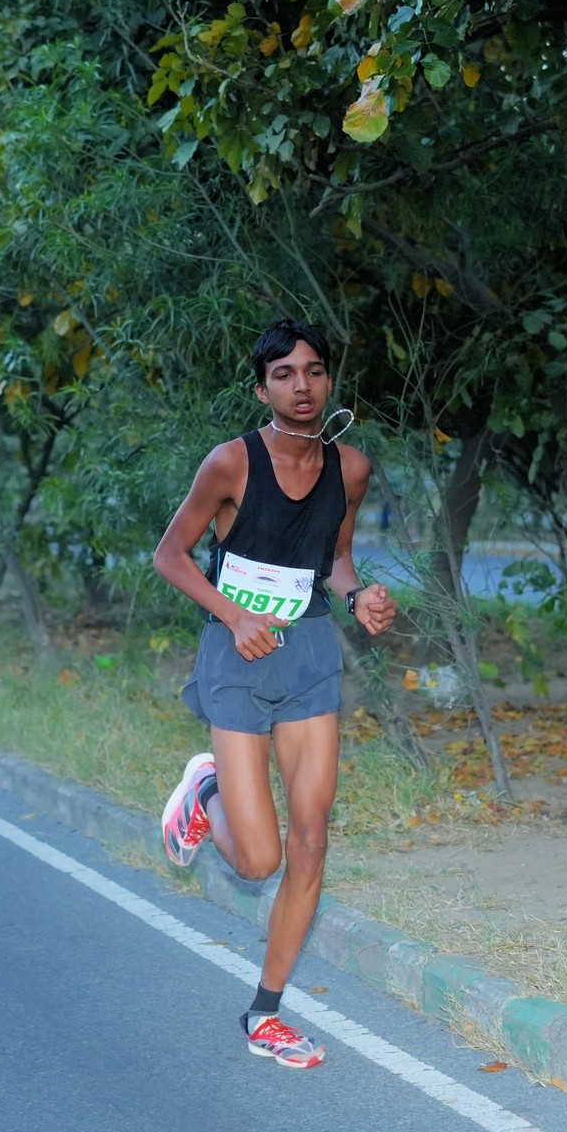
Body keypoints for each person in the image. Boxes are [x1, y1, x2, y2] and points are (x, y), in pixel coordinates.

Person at [150, 320, 397, 1069]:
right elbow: (171, 554)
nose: (301, 385)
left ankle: (266, 1012)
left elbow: (336, 559)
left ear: (329, 381)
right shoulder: (231, 462)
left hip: (310, 658)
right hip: (236, 658)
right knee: (257, 863)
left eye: (313, 371)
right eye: (284, 374)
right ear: (262, 390)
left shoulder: (350, 468)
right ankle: (206, 789)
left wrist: (358, 598)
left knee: (311, 838)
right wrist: (234, 615)